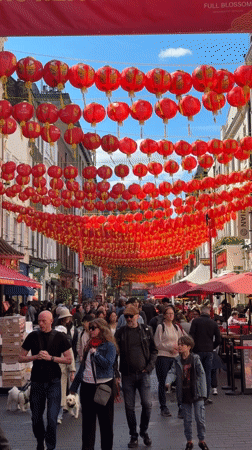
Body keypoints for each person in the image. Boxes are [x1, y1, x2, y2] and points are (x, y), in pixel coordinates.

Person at [18, 310, 72, 450]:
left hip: (54, 381)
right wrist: (35, 357)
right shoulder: (33, 336)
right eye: (39, 321)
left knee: (52, 418)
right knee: (36, 418)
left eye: (43, 321)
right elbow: (20, 357)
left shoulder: (60, 337)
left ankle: (50, 446)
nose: (40, 323)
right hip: (36, 382)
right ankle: (40, 441)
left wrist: (51, 358)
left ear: (51, 321)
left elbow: (69, 359)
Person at [70, 318, 117, 450]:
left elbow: (108, 364)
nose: (90, 330)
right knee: (88, 425)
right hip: (87, 387)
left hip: (104, 387)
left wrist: (96, 354)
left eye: (93, 328)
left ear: (101, 329)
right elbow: (83, 367)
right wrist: (73, 387)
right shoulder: (89, 345)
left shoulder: (109, 346)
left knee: (106, 424)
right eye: (90, 328)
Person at [115, 304, 158, 448]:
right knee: (129, 407)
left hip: (143, 374)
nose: (128, 319)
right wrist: (116, 373)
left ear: (137, 316)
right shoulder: (120, 332)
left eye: (130, 316)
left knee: (147, 404)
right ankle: (133, 435)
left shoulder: (146, 330)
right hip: (127, 375)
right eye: (126, 316)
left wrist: (149, 367)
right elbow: (114, 353)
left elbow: (154, 350)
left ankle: (144, 431)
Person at [166, 335, 209, 450]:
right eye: (178, 344)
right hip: (184, 393)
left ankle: (202, 440)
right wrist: (168, 382)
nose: (179, 346)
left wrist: (203, 392)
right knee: (187, 420)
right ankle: (189, 442)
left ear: (189, 347)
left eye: (182, 344)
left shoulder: (195, 359)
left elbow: (202, 374)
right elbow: (172, 372)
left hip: (197, 392)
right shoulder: (177, 360)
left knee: (200, 418)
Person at [154, 305, 185, 418]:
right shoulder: (160, 327)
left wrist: (181, 347)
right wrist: (169, 348)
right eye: (168, 313)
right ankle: (163, 407)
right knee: (162, 382)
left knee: (180, 382)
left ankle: (181, 406)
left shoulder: (176, 327)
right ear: (164, 315)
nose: (171, 315)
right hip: (163, 356)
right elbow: (157, 343)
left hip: (176, 356)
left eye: (172, 313)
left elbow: (182, 339)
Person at [189, 305, 221, 405]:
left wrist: (192, 347)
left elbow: (191, 336)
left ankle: (196, 394)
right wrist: (212, 346)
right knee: (207, 373)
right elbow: (219, 339)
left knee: (197, 373)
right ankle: (205, 396)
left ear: (201, 312)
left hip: (197, 350)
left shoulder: (195, 321)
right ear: (209, 312)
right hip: (209, 351)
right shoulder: (213, 323)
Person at [54, 325, 76, 424]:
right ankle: (54, 415)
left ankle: (59, 415)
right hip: (52, 373)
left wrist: (72, 372)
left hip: (62, 374)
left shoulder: (67, 345)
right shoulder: (52, 344)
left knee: (62, 395)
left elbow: (71, 360)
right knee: (53, 395)